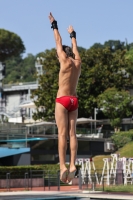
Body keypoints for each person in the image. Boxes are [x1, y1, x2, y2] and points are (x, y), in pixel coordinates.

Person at [48, 12, 81, 183]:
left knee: (62, 134)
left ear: (62, 54)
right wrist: (73, 35)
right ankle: (73, 165)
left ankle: (63, 167)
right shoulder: (77, 62)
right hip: (74, 101)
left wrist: (54, 25)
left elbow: (58, 41)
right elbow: (74, 47)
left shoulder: (63, 59)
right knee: (72, 134)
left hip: (62, 100)